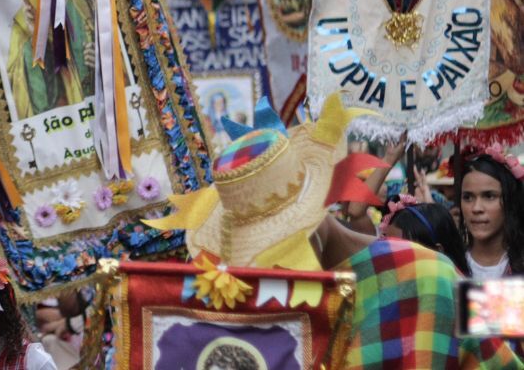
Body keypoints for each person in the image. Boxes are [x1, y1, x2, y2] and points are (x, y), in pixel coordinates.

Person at [149, 94, 522, 368]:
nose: (274, 263)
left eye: (281, 241)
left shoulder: (435, 272)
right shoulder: (265, 296)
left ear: (316, 215)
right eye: (255, 249)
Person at [5, 0, 95, 119]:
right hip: (64, 128)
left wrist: (102, 59)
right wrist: (34, 40)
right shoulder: (22, 21)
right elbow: (33, 99)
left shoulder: (87, 2)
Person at [453, 146, 524, 278]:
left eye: (489, 196)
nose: (476, 208)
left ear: (510, 200)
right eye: (468, 197)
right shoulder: (448, 267)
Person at [380, 195, 471, 276]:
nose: (389, 256)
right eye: (387, 246)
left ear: (437, 252)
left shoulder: (457, 292)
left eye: (401, 250)